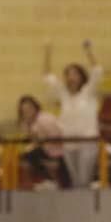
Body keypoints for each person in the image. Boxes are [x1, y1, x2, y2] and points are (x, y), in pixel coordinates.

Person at [43, 40, 102, 187]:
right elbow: (48, 77)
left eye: (74, 74)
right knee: (75, 180)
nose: (71, 77)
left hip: (87, 141)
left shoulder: (88, 92)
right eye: (68, 74)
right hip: (69, 142)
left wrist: (89, 51)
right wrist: (48, 52)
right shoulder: (63, 95)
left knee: (84, 178)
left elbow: (97, 71)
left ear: (81, 76)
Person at [17, 95, 69, 188]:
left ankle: (50, 180)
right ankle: (44, 181)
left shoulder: (45, 119)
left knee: (31, 155)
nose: (27, 112)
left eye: (29, 108)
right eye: (23, 110)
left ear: (35, 107)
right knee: (25, 156)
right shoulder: (26, 123)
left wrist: (41, 142)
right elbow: (32, 140)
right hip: (44, 149)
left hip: (59, 151)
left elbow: (58, 137)